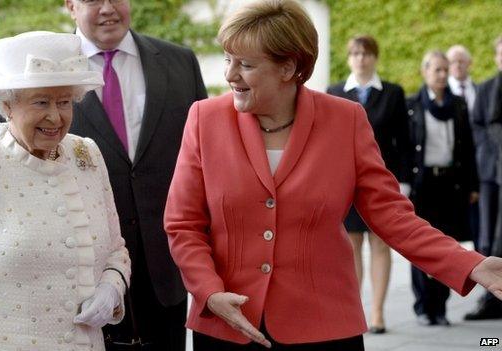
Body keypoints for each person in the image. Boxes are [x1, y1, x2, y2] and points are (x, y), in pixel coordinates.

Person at [163, 1, 502, 350]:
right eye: (227, 59)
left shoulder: (346, 121)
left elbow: (393, 216)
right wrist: (209, 291)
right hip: (227, 327)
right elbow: (182, 223)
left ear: (288, 67)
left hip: (325, 329)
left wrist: (470, 264)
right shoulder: (204, 119)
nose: (230, 75)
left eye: (246, 65)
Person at [0, 31, 131, 351]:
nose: (56, 116)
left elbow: (115, 250)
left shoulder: (86, 154)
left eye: (64, 101)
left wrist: (112, 287)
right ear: (6, 103)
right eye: (41, 102)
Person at [64, 0, 207, 349]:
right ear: (70, 5)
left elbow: (206, 159)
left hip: (166, 269)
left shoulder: (179, 62)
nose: (108, 8)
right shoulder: (49, 71)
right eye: (93, 0)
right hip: (85, 277)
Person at [327, 35, 411, 334]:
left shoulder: (393, 93)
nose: (361, 59)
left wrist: (403, 182)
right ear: (349, 58)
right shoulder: (334, 92)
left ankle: (377, 312)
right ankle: (355, 309)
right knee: (350, 245)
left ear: (375, 57)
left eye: (366, 53)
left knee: (379, 243)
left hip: (381, 181)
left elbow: (404, 141)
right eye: (355, 53)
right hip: (344, 182)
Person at [406, 50, 479, 327]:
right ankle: (423, 306)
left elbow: (468, 147)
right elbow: (404, 148)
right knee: (419, 245)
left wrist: (472, 185)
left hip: (451, 184)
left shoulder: (458, 104)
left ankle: (440, 307)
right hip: (423, 185)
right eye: (436, 70)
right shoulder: (412, 104)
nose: (442, 75)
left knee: (448, 245)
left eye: (444, 70)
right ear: (424, 71)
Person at [465, 35, 502, 321]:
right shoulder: (487, 88)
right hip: (492, 173)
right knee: (490, 236)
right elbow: (477, 126)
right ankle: (490, 299)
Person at [447, 45, 480, 247]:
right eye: (453, 61)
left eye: (462, 61)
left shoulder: (481, 90)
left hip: (479, 167)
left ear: (469, 63)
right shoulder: (441, 94)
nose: (457, 65)